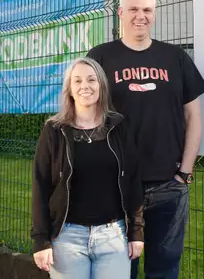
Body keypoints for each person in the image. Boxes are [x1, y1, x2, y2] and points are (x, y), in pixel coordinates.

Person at [87, 0, 204, 279]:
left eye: (147, 10)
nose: (140, 16)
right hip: (116, 186)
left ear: (154, 14)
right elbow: (86, 118)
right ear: (120, 13)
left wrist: (185, 173)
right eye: (133, 9)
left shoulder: (175, 58)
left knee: (164, 270)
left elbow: (193, 116)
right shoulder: (100, 58)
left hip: (169, 186)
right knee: (117, 270)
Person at [30, 57, 145, 279]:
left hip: (113, 236)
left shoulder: (119, 126)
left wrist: (136, 232)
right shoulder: (54, 131)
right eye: (78, 81)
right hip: (67, 238)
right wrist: (41, 240)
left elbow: (133, 181)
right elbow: (40, 186)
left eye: (92, 80)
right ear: (70, 90)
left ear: (101, 85)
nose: (85, 86)